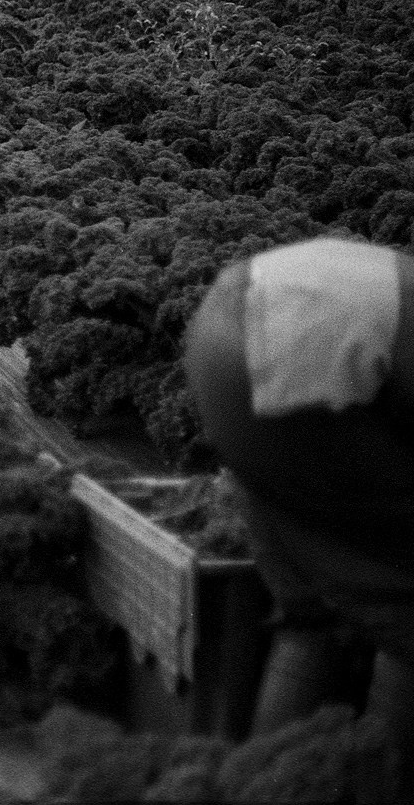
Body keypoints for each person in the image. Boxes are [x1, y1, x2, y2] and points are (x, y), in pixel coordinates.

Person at [179, 236, 414, 785]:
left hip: (224, 324)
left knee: (313, 614)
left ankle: (267, 782)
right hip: (294, 363)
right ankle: (380, 784)